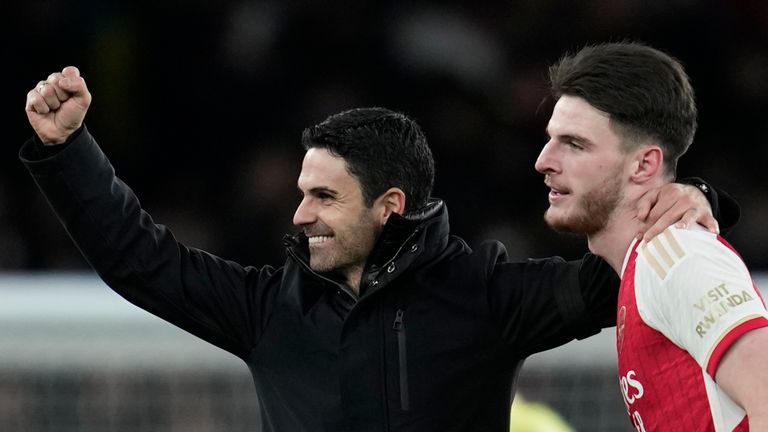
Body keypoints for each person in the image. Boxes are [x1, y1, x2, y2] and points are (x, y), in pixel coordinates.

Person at [21, 66, 734, 432]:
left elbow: (630, 275)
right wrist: (66, 150)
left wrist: (694, 201)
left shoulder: (485, 296)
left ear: (389, 205)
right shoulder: (269, 309)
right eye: (302, 193)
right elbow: (138, 261)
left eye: (324, 197)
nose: (300, 215)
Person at [535, 41, 768, 431]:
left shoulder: (675, 255)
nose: (544, 161)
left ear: (644, 164)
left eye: (574, 144)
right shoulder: (641, 267)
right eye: (551, 138)